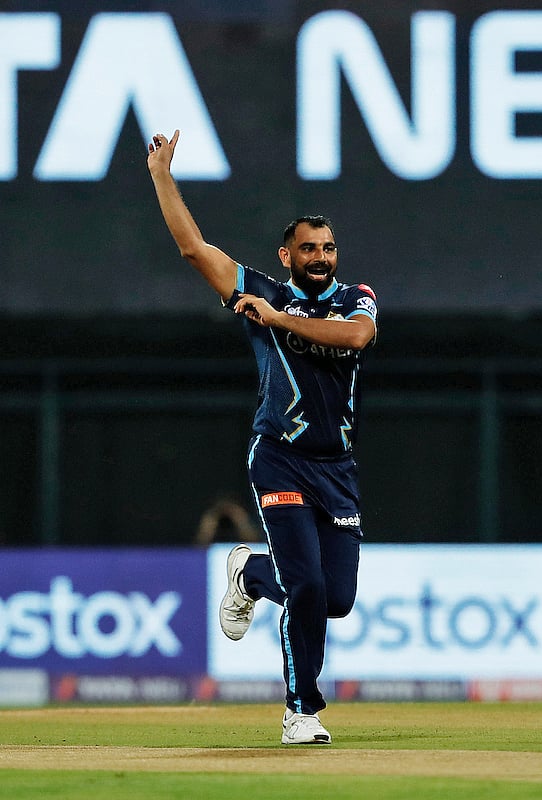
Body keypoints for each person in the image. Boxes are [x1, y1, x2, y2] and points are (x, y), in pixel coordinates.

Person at [147, 130, 379, 745]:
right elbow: (195, 249)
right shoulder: (261, 290)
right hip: (279, 456)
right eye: (309, 249)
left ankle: (250, 573)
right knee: (306, 586)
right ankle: (301, 711)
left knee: (335, 598)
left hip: (337, 468)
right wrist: (162, 176)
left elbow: (356, 338)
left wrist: (279, 320)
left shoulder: (356, 299)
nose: (321, 257)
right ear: (286, 255)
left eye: (328, 248)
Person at [194, 494, 262, 546]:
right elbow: (198, 548)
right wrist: (209, 523)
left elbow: (257, 546)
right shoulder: (212, 521)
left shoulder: (239, 518)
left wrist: (240, 519)